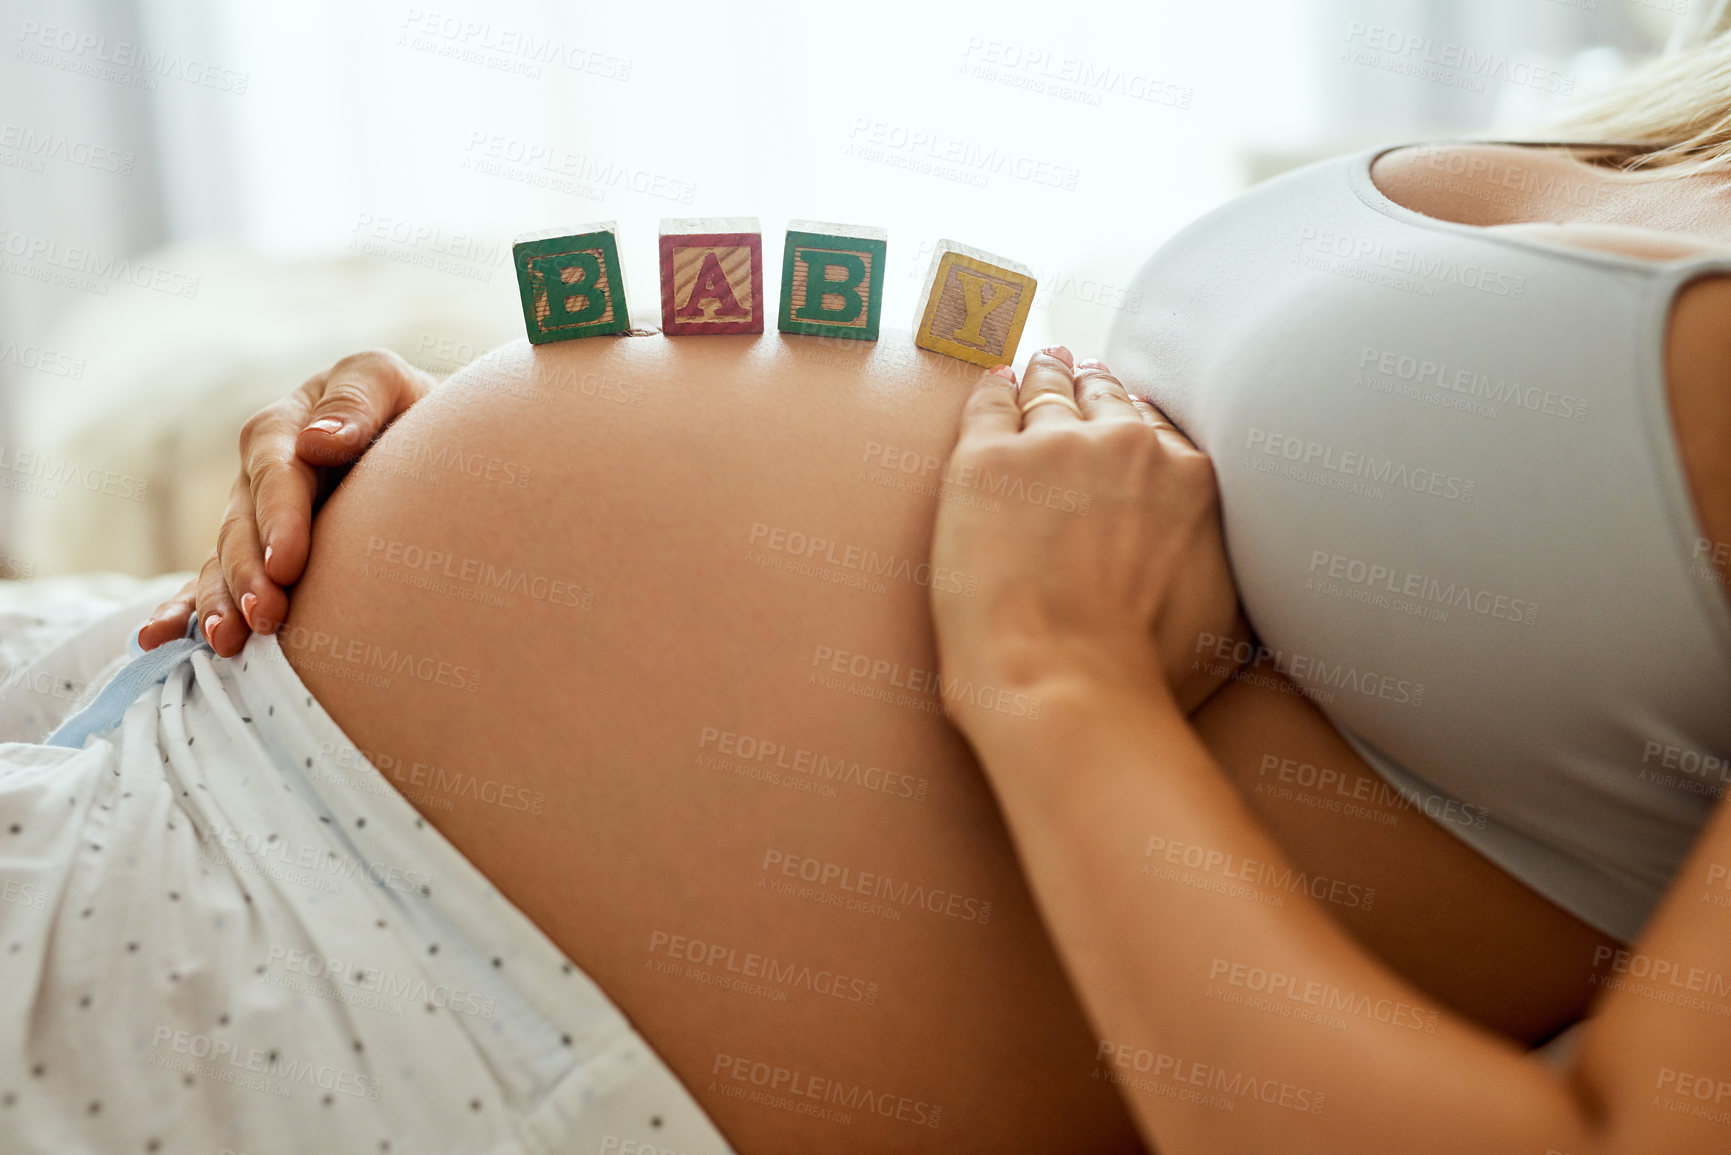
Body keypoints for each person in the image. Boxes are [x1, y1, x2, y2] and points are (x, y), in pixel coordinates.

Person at [57, 23, 1731, 1155]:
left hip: (407, 1028)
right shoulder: (1684, 109)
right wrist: (445, 486)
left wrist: (1057, 684)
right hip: (177, 723)